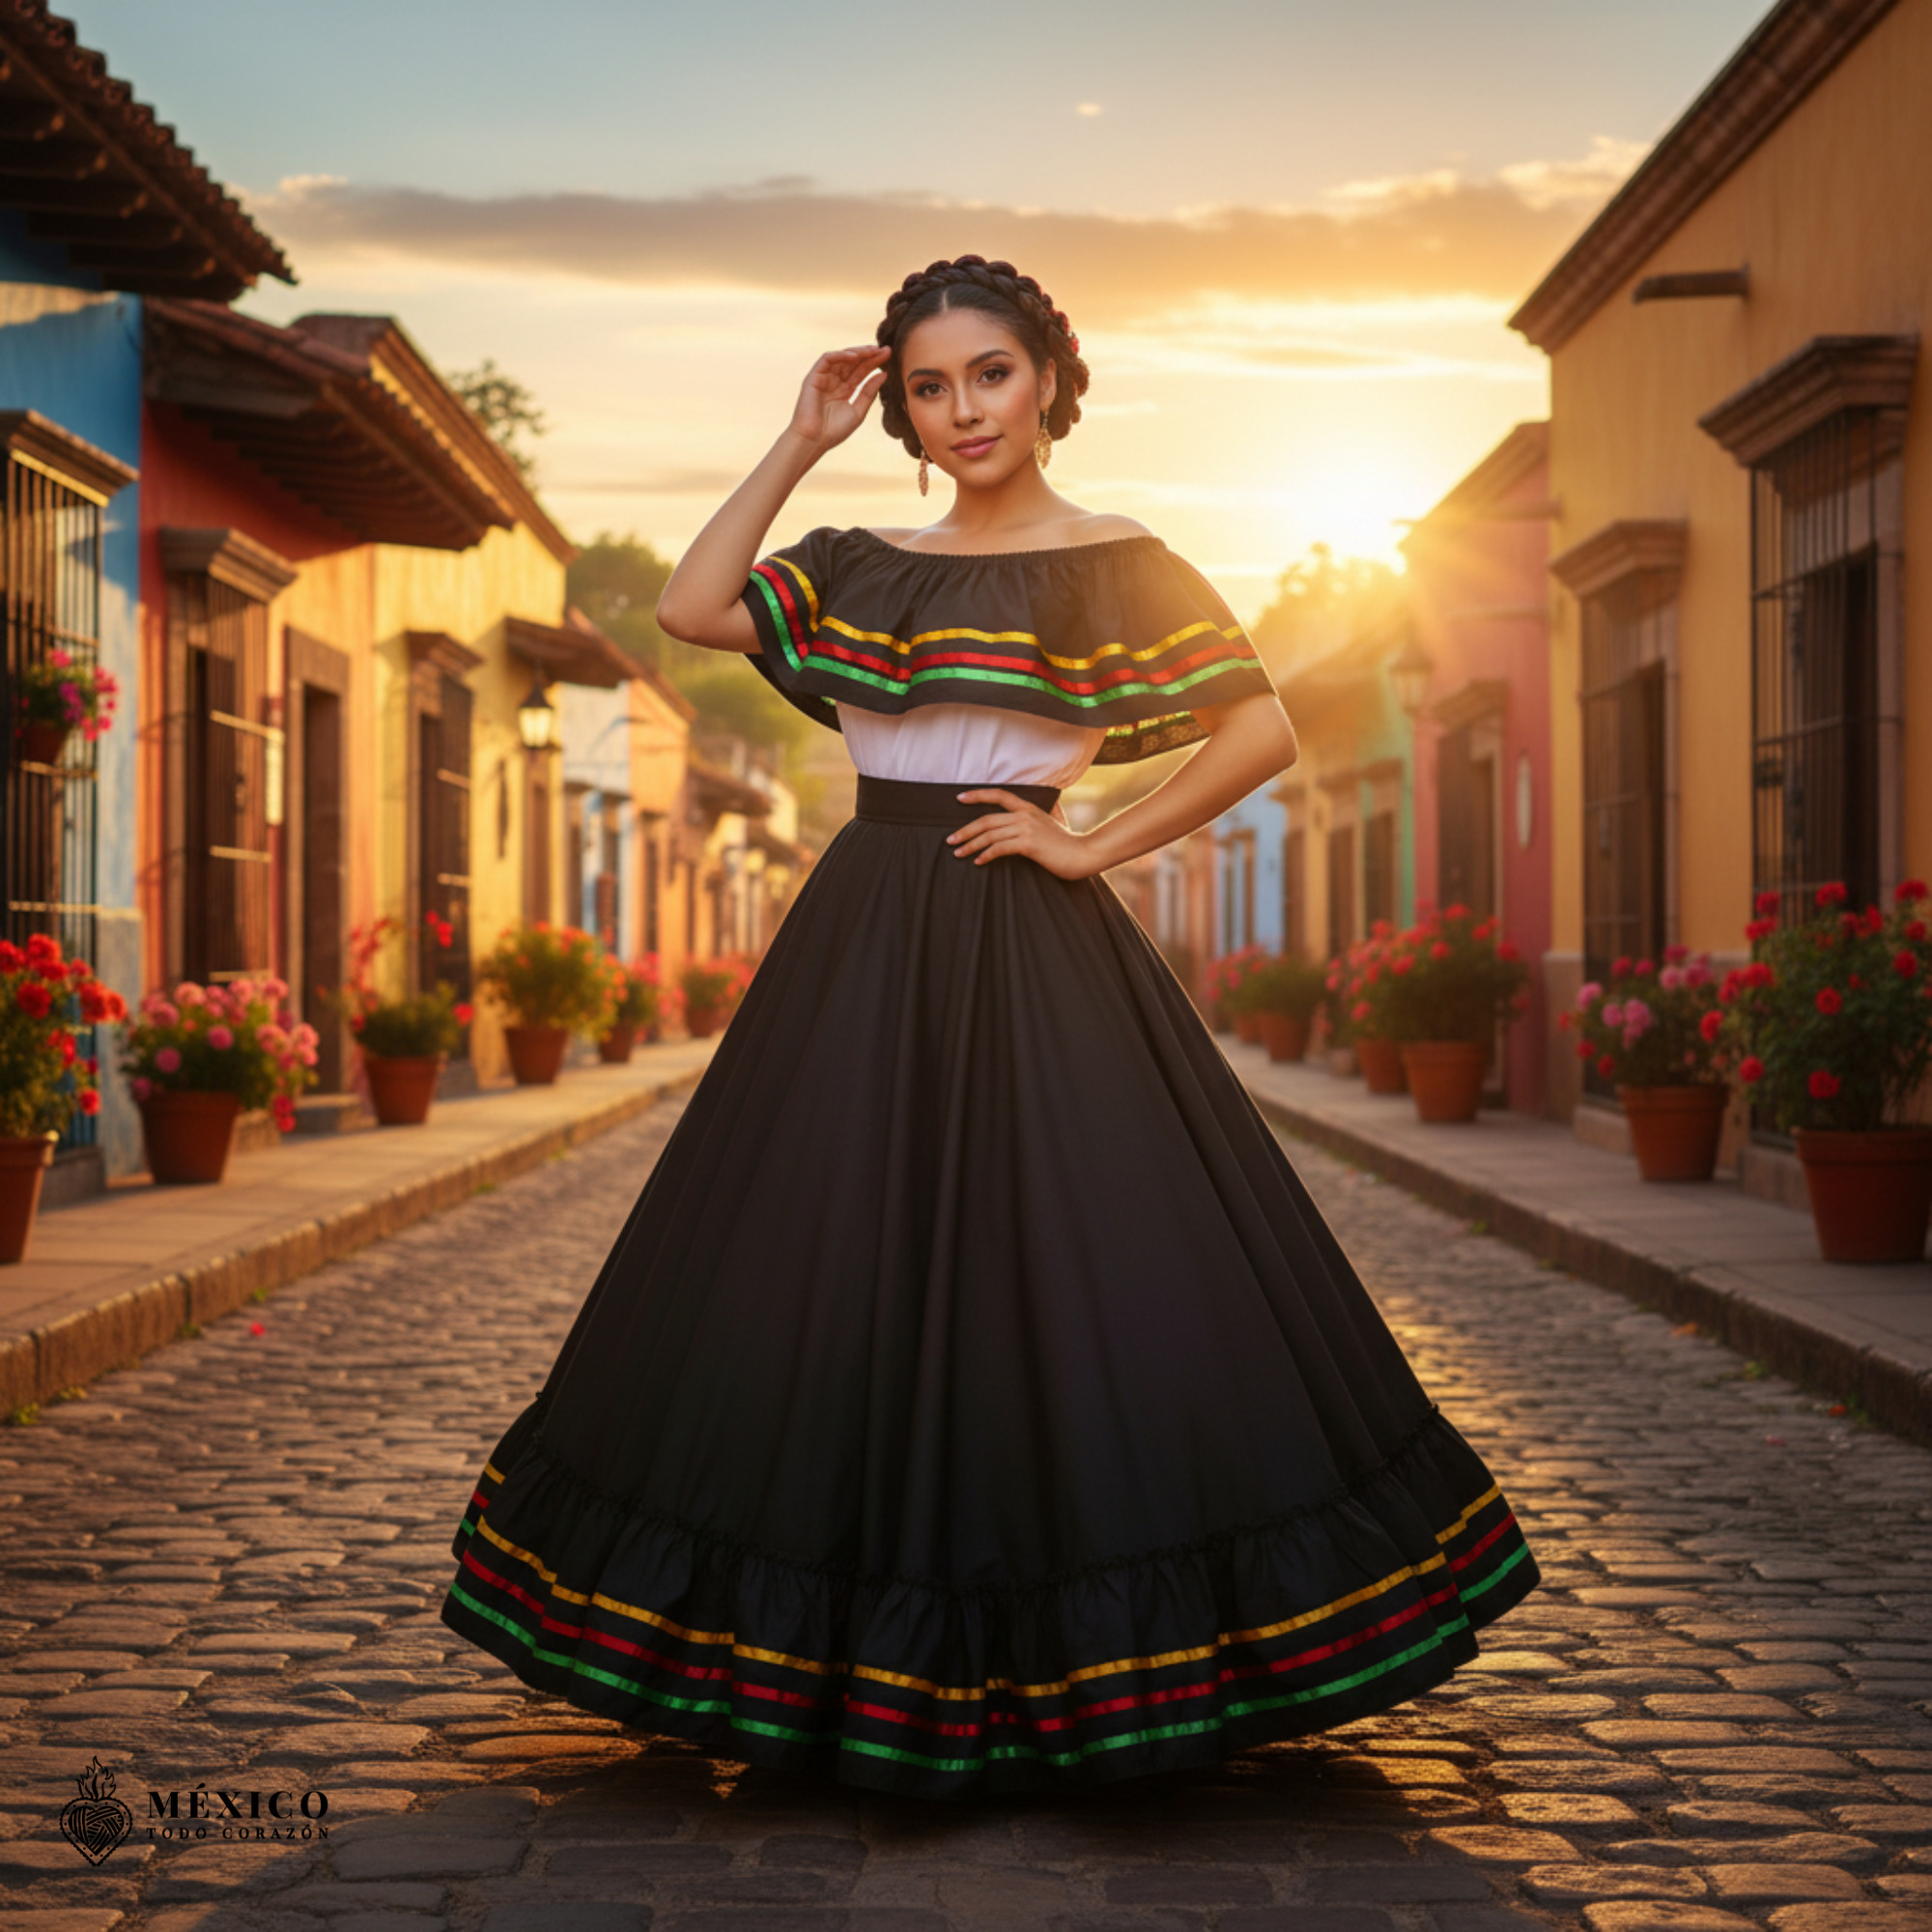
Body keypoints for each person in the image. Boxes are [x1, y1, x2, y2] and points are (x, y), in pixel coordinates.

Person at [441, 254, 1538, 1799]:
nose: (964, 410)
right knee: (821, 1260)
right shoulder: (857, 552)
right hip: (866, 936)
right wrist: (800, 441)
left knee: (1080, 1265)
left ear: (1048, 380)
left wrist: (1089, 843)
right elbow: (695, 607)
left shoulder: (1120, 559)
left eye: (992, 375)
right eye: (932, 385)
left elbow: (1262, 729)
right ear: (902, 403)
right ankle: (822, 1652)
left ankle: (1088, 1661)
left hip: (1033, 931)